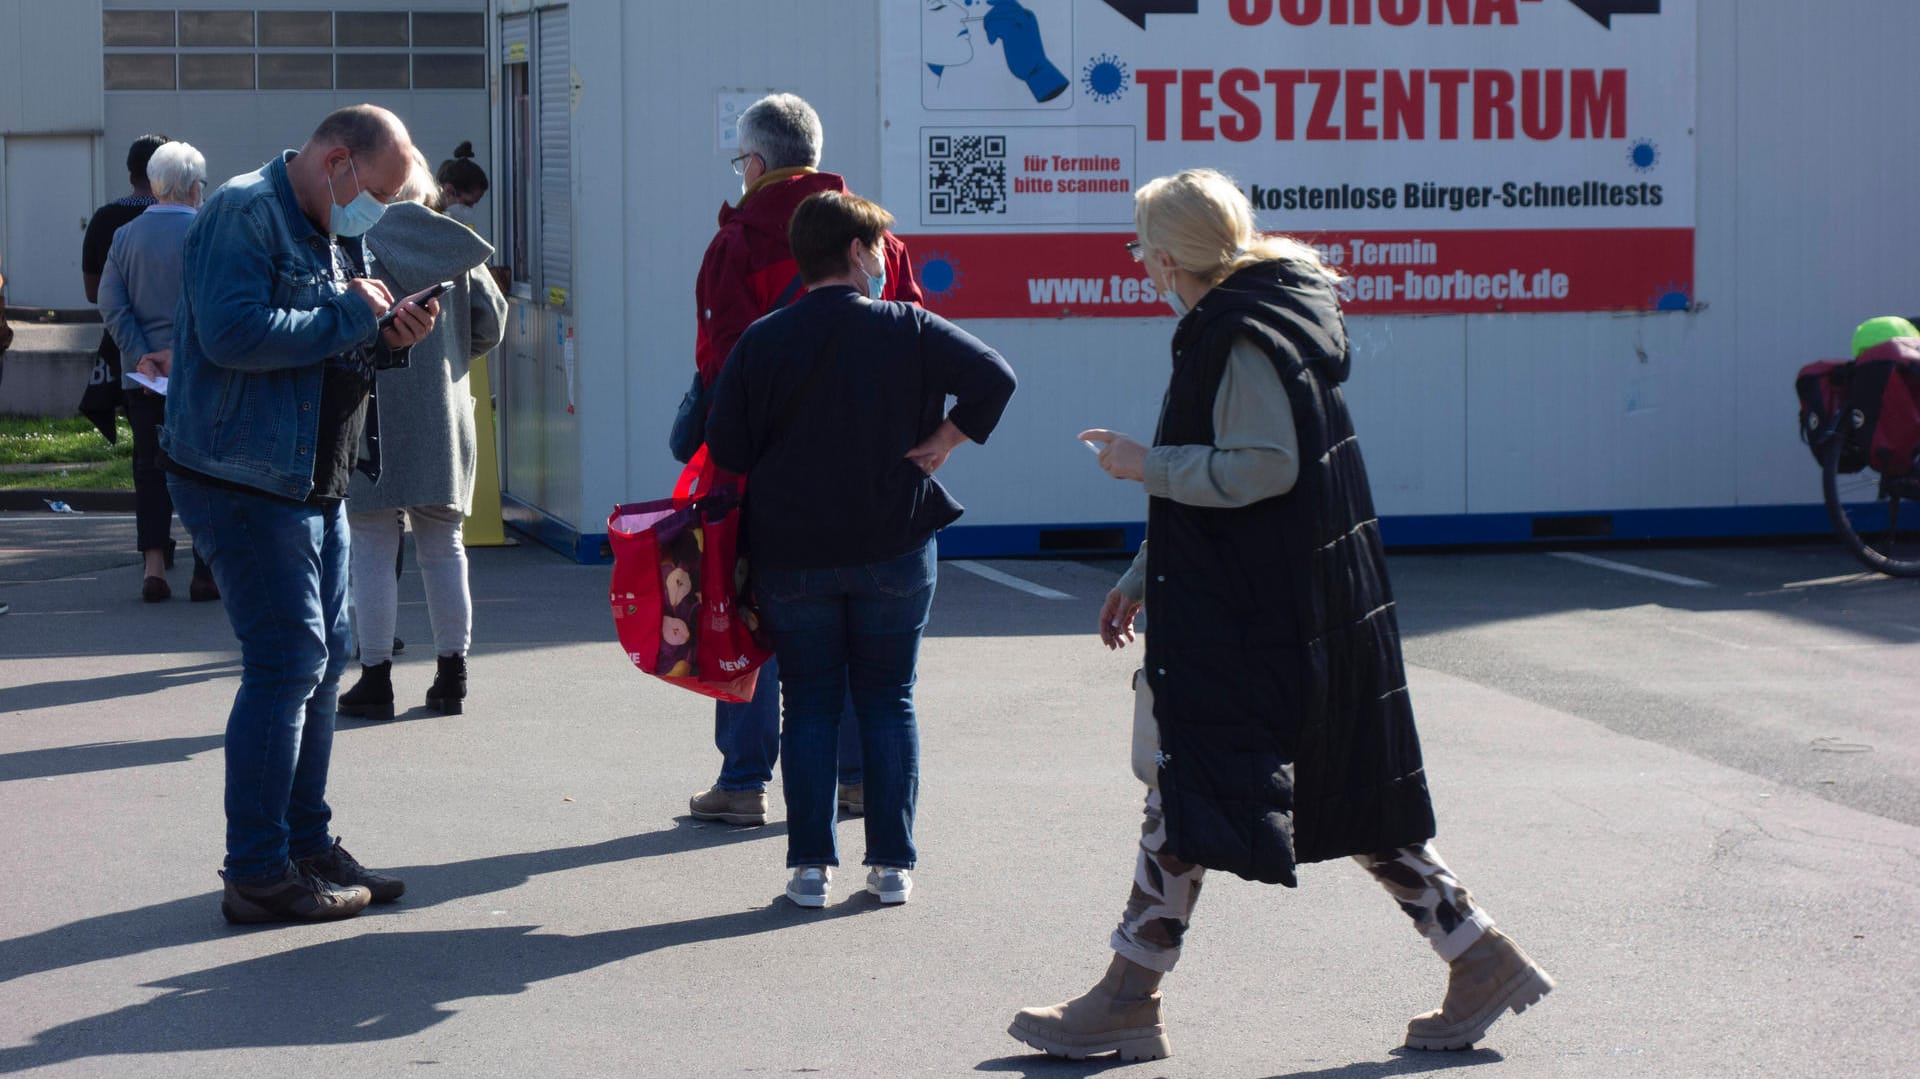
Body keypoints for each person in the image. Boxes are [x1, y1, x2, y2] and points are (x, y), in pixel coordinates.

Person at [1007, 169, 1552, 1060]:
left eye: (1141, 244)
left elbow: (1262, 467)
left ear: (1171, 254)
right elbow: (1233, 470)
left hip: (1264, 616)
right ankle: (1476, 955)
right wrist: (1145, 572)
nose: (1139, 260)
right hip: (1287, 604)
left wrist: (1144, 465)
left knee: (1203, 784)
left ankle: (1126, 996)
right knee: (1291, 794)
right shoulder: (1262, 316)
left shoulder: (1240, 334)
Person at [161, 104, 444, 924]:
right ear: (336, 160)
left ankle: (303, 844)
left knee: (323, 663)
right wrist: (356, 314)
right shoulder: (244, 211)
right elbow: (232, 336)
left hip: (310, 476)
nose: (377, 213)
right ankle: (257, 869)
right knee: (289, 664)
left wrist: (390, 334)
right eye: (376, 191)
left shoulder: (333, 218)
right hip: (243, 477)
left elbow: (329, 334)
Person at [705, 190, 1016, 908]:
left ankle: (810, 868)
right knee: (887, 698)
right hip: (894, 546)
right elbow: (995, 377)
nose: (882, 259)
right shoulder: (907, 326)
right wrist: (943, 439)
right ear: (853, 251)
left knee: (808, 705)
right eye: (876, 247)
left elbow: (726, 446)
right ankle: (892, 865)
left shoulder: (764, 339)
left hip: (792, 553)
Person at [685, 92, 927, 829]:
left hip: (768, 473)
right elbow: (918, 343)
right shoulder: (877, 236)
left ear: (755, 163)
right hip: (871, 474)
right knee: (865, 641)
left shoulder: (739, 242)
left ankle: (745, 780)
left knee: (748, 617)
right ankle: (857, 783)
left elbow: (722, 363)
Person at [336, 154, 507, 721]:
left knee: (372, 546)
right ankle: (451, 674)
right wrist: (453, 359)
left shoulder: (353, 242)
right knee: (443, 546)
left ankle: (376, 677)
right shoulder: (454, 242)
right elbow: (492, 319)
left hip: (373, 410)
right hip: (444, 411)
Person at [97, 140, 219, 604]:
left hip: (144, 377)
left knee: (149, 470)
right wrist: (179, 350)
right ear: (192, 187)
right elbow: (216, 304)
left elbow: (110, 301)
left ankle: (153, 567)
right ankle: (205, 567)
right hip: (201, 371)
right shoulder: (208, 231)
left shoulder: (125, 236)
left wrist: (142, 352)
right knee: (205, 471)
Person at [80, 134, 171, 443]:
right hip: (177, 349)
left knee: (144, 444)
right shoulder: (186, 222)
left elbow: (94, 292)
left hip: (126, 345)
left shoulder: (106, 220)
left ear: (130, 171)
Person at [434, 141, 487, 230]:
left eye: (473, 204)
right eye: (467, 203)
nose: (469, 210)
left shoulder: (463, 226)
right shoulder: (422, 218)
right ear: (449, 190)